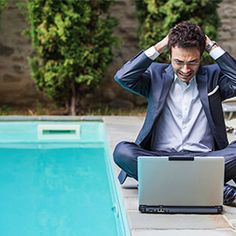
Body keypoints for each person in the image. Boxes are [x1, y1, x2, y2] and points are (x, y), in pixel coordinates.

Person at [113, 21, 236, 206]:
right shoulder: (155, 76)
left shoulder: (213, 76)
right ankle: (212, 188)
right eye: (179, 61)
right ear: (169, 54)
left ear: (201, 57)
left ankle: (167, 184)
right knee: (122, 151)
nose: (185, 70)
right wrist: (160, 45)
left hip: (206, 161)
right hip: (160, 159)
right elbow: (123, 77)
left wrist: (211, 46)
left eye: (192, 62)